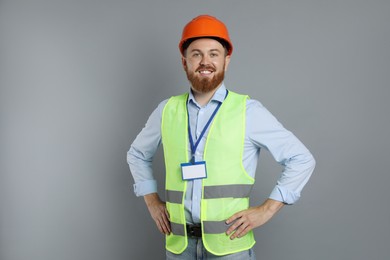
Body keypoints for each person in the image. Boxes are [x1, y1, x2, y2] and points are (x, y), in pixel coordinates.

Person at [127, 14, 316, 259]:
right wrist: (152, 202)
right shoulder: (167, 111)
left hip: (229, 248)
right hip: (179, 248)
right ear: (185, 62)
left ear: (226, 61)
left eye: (214, 54)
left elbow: (301, 159)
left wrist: (267, 210)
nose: (205, 61)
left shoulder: (248, 111)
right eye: (196, 54)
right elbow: (137, 154)